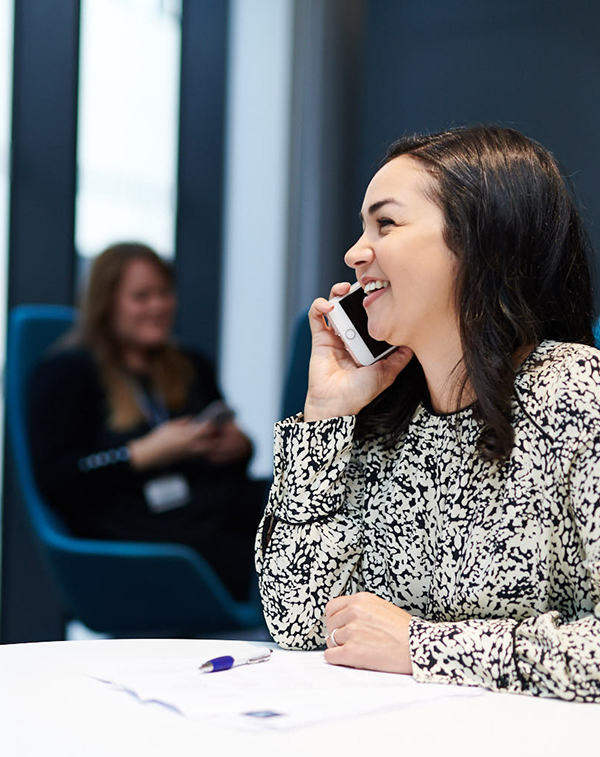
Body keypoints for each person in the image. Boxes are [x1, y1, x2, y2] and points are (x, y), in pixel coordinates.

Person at [256, 125, 600, 701]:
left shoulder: (576, 394)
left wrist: (421, 645)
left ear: (481, 241)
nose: (354, 253)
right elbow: (297, 623)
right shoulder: (387, 411)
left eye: (385, 224)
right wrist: (324, 417)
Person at [29, 242, 264, 601]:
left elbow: (234, 465)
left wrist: (239, 448)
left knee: (284, 502)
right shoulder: (68, 372)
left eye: (164, 293)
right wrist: (143, 453)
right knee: (250, 553)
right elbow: (57, 478)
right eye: (141, 297)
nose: (158, 306)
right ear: (106, 304)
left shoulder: (190, 364)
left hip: (199, 509)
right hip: (129, 529)